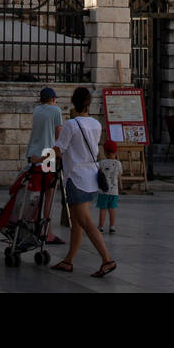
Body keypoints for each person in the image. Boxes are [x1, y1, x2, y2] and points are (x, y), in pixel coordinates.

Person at [51, 86, 116, 278]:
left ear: (73, 102)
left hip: (76, 177)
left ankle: (107, 259)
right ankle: (68, 260)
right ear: (88, 103)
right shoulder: (95, 124)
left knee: (86, 222)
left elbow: (59, 148)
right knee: (77, 222)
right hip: (91, 176)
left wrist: (40, 158)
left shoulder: (71, 124)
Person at [25, 86, 65, 244]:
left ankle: (32, 226)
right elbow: (58, 135)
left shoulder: (36, 111)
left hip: (33, 154)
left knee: (36, 192)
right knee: (49, 196)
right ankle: (47, 233)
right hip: (48, 155)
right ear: (54, 99)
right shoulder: (56, 111)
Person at [97, 138, 123, 234]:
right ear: (115, 152)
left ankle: (101, 226)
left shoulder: (101, 163)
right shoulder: (118, 164)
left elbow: (98, 173)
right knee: (112, 209)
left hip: (103, 191)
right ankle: (112, 226)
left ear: (104, 152)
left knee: (103, 209)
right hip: (114, 191)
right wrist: (120, 186)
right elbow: (119, 175)